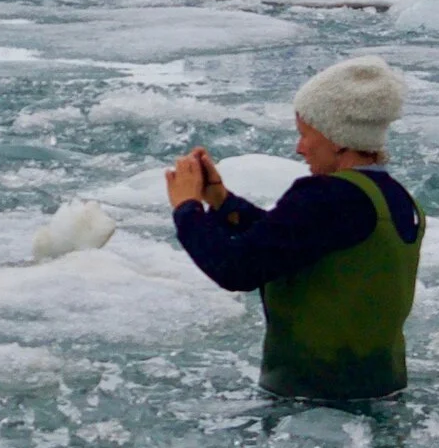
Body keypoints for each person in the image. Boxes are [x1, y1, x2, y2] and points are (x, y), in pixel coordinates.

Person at [167, 56, 424, 401]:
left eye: (305, 134)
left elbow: (236, 268)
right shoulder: (394, 196)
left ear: (336, 138)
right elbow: (290, 243)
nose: (299, 147)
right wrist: (222, 201)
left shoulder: (325, 196)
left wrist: (186, 208)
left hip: (313, 401)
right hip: (382, 390)